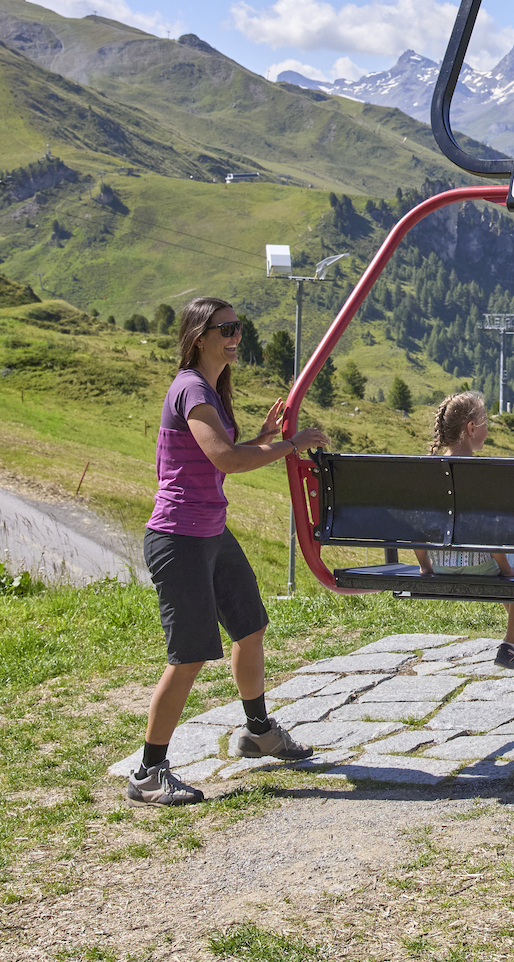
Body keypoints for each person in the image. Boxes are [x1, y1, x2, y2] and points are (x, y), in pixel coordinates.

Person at [128, 296, 330, 805]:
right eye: (227, 329)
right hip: (180, 538)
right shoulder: (191, 388)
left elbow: (221, 456)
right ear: (200, 335)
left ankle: (258, 731)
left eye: (240, 327)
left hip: (210, 531)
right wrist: (291, 443)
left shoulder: (212, 390)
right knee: (190, 656)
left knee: (250, 626)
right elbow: (227, 459)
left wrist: (266, 435)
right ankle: (149, 773)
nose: (236, 336)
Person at [421, 391, 514, 669]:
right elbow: (489, 533)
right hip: (480, 565)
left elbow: (417, 527)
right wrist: (506, 568)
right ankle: (509, 643)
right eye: (485, 422)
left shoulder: (427, 471)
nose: (487, 429)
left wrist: (425, 567)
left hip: (441, 565)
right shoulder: (479, 472)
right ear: (471, 428)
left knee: (506, 562)